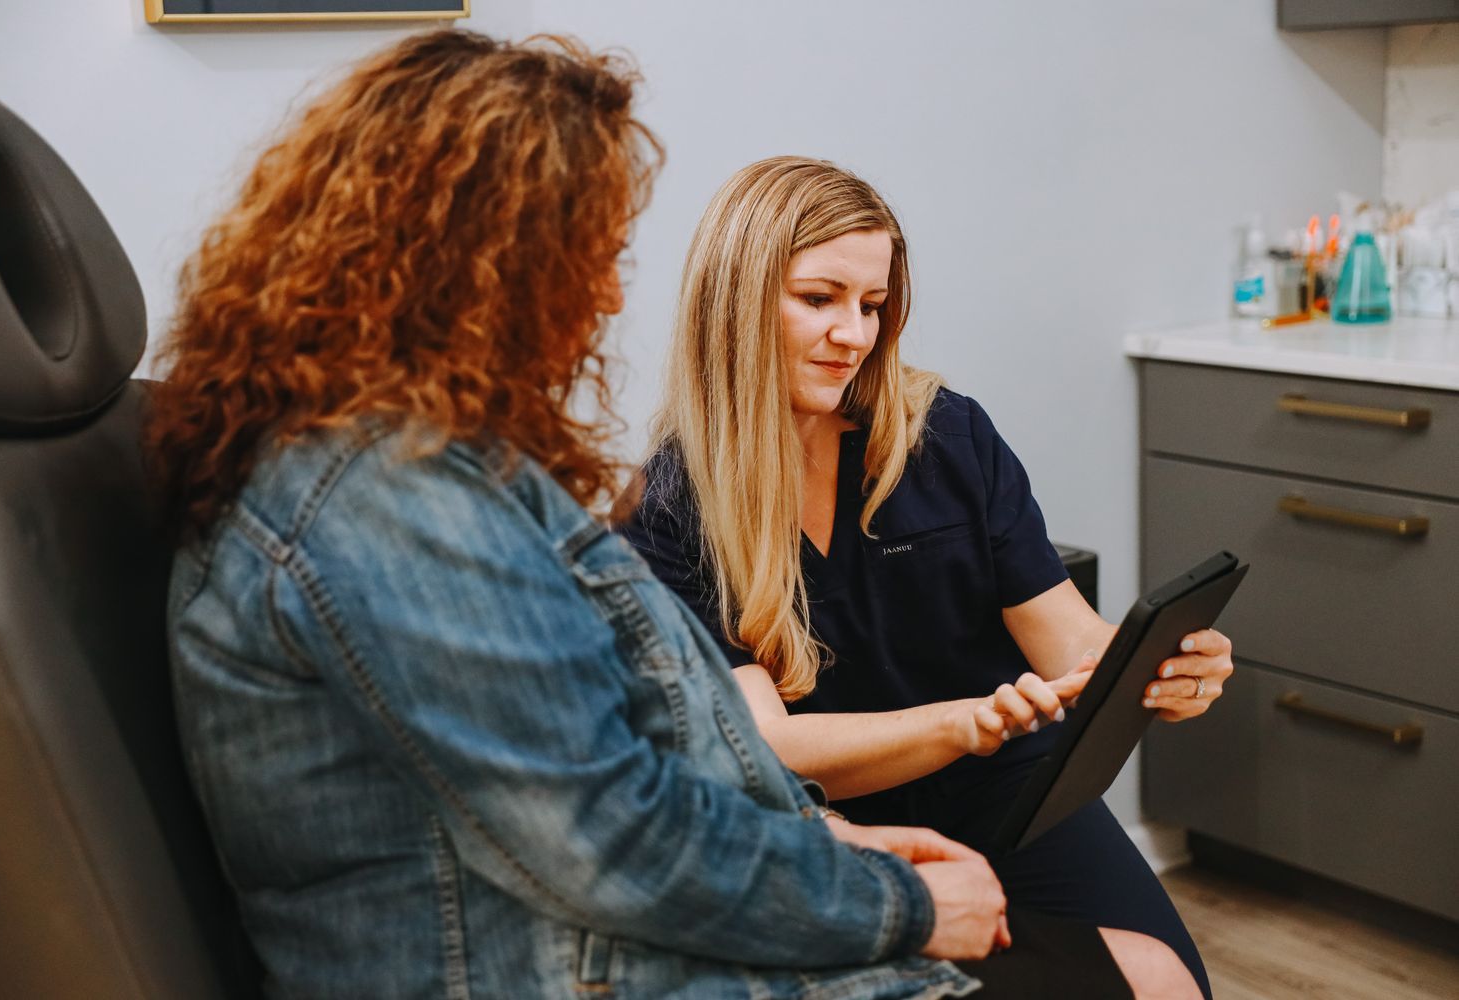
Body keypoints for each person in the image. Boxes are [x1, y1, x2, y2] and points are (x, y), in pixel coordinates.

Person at [142, 29, 1189, 1000]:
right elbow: (607, 833)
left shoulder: (436, 472)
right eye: (581, 259)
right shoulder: (388, 500)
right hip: (546, 957)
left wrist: (825, 844)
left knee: (1149, 961)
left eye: (870, 306)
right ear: (475, 266)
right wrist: (891, 895)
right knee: (1139, 975)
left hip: (654, 894)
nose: (599, 300)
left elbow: (640, 764)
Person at [618, 156, 1232, 999]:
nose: (855, 335)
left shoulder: (946, 437)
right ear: (736, 296)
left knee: (1170, 984)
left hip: (1012, 793)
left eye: (872, 305)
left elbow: (1071, 647)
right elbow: (769, 746)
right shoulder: (669, 509)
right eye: (820, 298)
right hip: (841, 830)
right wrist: (964, 722)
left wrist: (1154, 669)